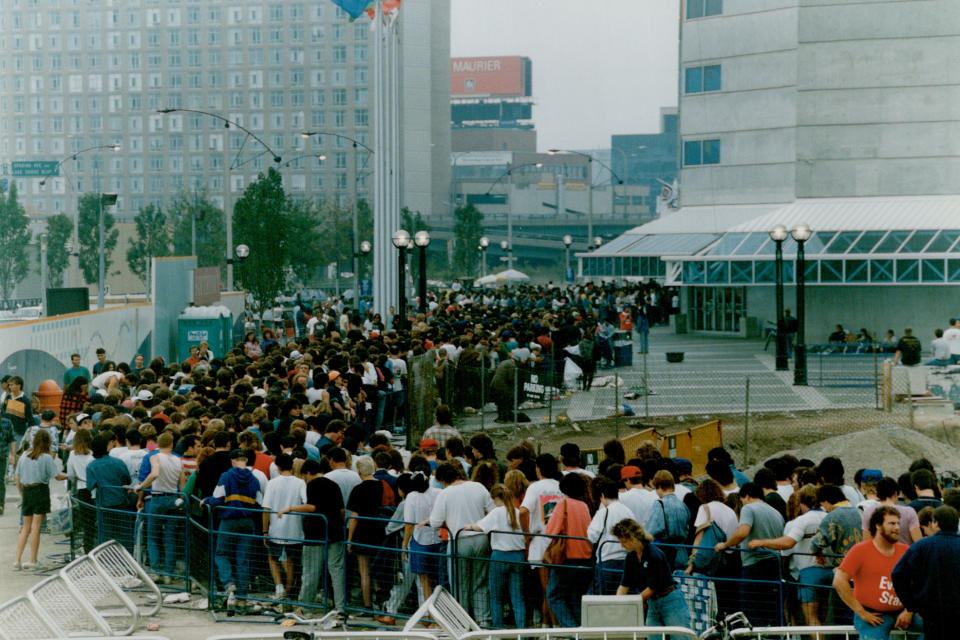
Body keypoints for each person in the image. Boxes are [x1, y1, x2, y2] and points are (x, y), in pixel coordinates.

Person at [834, 506, 922, 640]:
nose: (897, 527)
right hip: (873, 615)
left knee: (941, 627)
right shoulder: (860, 550)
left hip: (903, 612)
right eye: (892, 523)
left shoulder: (906, 551)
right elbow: (839, 581)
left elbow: (918, 582)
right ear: (878, 526)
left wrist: (908, 611)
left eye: (898, 523)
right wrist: (861, 612)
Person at [428, 460, 495, 627]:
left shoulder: (445, 494)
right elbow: (493, 511)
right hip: (480, 537)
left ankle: (461, 621)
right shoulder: (478, 487)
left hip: (459, 539)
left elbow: (436, 521)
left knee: (459, 583)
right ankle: (483, 619)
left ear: (443, 480)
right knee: (480, 581)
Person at [714, 481, 785, 626]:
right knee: (771, 610)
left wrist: (725, 545)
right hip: (774, 564)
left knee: (752, 609)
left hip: (754, 566)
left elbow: (743, 532)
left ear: (746, 496)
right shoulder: (776, 513)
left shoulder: (749, 509)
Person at [205, 448, 263, 610]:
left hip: (229, 520)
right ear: (246, 460)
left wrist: (206, 500)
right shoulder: (254, 478)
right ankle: (242, 599)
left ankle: (229, 582)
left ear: (232, 461)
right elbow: (259, 503)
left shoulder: (226, 476)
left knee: (221, 554)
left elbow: (217, 499)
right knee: (243, 559)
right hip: (247, 522)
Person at [613, 519, 691, 639]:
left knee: (680, 637)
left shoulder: (655, 555)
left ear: (634, 538)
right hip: (652, 604)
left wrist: (630, 602)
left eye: (624, 541)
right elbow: (624, 585)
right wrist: (616, 604)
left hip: (670, 601)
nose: (622, 545)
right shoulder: (630, 558)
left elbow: (653, 588)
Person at [892, 505, 960, 640]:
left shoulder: (921, 546)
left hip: (931, 613)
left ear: (935, 523)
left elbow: (898, 574)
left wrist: (911, 605)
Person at [466, 483, 527, 628]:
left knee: (496, 596)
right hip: (518, 556)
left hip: (499, 556)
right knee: (518, 597)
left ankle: (498, 630)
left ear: (495, 498)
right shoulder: (518, 513)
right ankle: (521, 632)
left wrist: (469, 526)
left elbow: (480, 527)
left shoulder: (496, 512)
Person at [544, 472, 593, 628]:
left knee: (554, 596)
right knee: (575, 597)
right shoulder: (584, 506)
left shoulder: (562, 504)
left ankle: (572, 630)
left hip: (566, 558)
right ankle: (583, 630)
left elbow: (550, 531)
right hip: (585, 558)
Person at [13, 430, 67, 569]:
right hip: (40, 490)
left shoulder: (24, 455)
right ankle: (33, 560)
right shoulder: (46, 457)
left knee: (25, 528)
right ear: (48, 442)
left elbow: (17, 478)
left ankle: (17, 560)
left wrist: (22, 494)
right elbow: (57, 476)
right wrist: (70, 475)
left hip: (27, 490)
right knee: (36, 528)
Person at [262, 453, 307, 602]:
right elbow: (305, 502)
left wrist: (264, 530)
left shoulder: (272, 483)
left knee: (273, 557)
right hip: (295, 529)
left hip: (276, 528)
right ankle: (289, 590)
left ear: (277, 466)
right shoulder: (300, 483)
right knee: (291, 561)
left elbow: (266, 508)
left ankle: (280, 587)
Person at [587, 476, 633, 594]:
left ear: (602, 495)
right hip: (627, 560)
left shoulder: (604, 512)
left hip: (607, 559)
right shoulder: (628, 511)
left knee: (599, 597)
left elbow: (592, 535)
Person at [0, 416, 15, 515]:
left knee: (0, 480)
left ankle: (1, 504)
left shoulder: (7, 423)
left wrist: (12, 455)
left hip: (2, 454)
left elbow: (12, 439)